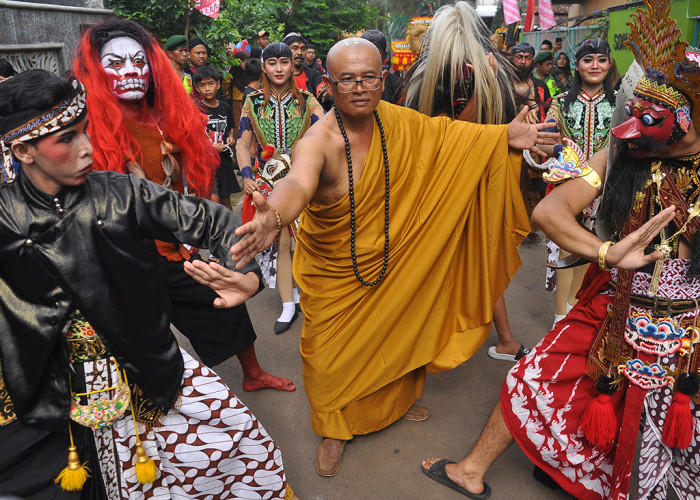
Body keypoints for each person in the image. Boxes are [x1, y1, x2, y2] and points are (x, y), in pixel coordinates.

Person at [231, 37, 557, 477]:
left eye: (369, 76)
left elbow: (455, 139)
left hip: (396, 260)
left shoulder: (402, 123)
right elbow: (297, 184)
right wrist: (274, 217)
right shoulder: (319, 140)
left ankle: (392, 404)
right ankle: (333, 427)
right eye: (347, 79)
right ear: (328, 84)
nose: (360, 87)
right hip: (336, 273)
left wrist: (507, 135)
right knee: (326, 354)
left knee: (399, 332)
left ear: (383, 79)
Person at [420, 1, 700, 498]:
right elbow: (548, 214)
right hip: (615, 303)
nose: (635, 131)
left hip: (688, 329)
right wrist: (608, 253)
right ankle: (471, 470)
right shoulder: (624, 153)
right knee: (534, 378)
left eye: (650, 120)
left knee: (664, 424)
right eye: (632, 115)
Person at [0, 69, 294, 500]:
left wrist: (246, 273)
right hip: (43, 386)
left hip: (146, 366)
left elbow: (211, 222)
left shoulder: (121, 194)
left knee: (240, 446)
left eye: (86, 133)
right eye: (67, 139)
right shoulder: (5, 217)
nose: (87, 150)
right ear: (23, 149)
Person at [73, 19, 295, 392]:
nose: (130, 72)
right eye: (115, 64)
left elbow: (194, 181)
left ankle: (253, 374)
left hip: (176, 247)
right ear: (95, 71)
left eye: (138, 61)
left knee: (225, 302)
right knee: (140, 343)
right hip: (123, 258)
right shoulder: (83, 129)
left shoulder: (168, 116)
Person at [403, 1, 528, 362]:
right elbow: (443, 134)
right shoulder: (429, 79)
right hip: (437, 187)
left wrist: (486, 82)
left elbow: (500, 133)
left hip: (481, 184)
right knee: (435, 266)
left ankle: (504, 340)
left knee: (483, 259)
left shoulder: (491, 74)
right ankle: (417, 349)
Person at [236, 42, 324, 334]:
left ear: (292, 64)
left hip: (303, 176)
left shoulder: (308, 101)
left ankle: (307, 295)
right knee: (281, 242)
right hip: (269, 181)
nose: (278, 68)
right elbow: (243, 143)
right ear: (263, 66)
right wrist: (247, 174)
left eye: (283, 62)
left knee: (308, 240)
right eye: (271, 63)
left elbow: (326, 134)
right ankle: (288, 304)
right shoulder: (252, 102)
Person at [544, 38, 615, 326]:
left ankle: (577, 308)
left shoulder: (620, 102)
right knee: (566, 245)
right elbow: (545, 140)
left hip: (607, 189)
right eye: (588, 59)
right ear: (577, 65)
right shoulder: (561, 102)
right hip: (570, 186)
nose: (595, 65)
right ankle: (560, 317)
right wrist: (558, 150)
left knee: (594, 246)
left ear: (610, 64)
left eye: (601, 59)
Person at [194, 66, 241, 210]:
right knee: (213, 200)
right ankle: (215, 230)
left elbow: (230, 130)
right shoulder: (196, 109)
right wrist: (210, 147)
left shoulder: (225, 107)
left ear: (218, 84)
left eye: (210, 84)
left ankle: (231, 230)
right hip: (205, 162)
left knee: (226, 200)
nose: (207, 89)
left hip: (224, 161)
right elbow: (193, 139)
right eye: (202, 85)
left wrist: (230, 139)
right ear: (197, 88)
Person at [282, 32, 331, 110]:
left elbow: (320, 88)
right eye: (295, 48)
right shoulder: (277, 75)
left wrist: (325, 91)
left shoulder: (313, 74)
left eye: (303, 49)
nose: (300, 53)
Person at [361, 29, 403, 105]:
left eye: (377, 52)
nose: (371, 56)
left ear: (383, 54)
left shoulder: (395, 83)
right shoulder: (347, 81)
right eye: (366, 51)